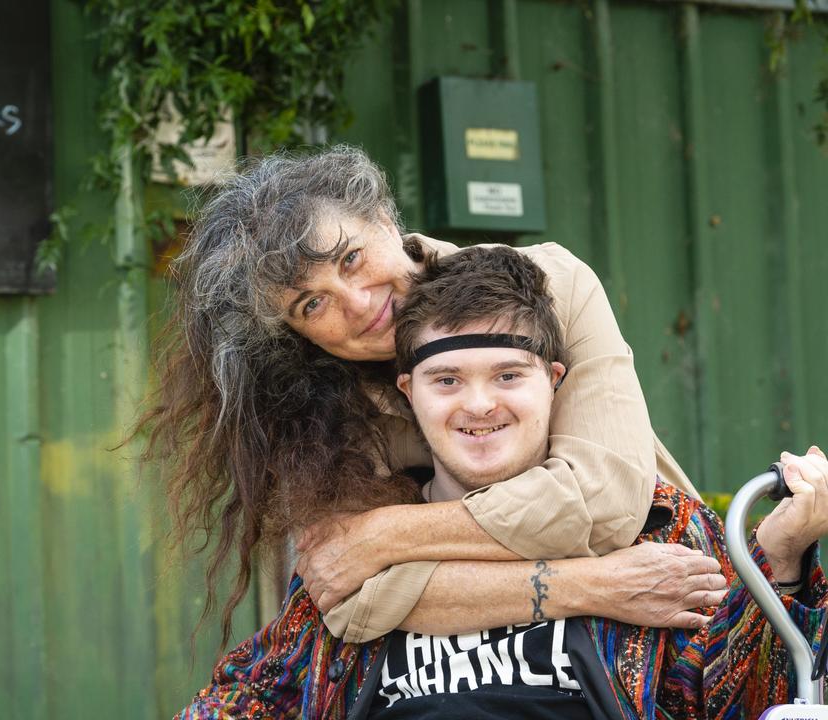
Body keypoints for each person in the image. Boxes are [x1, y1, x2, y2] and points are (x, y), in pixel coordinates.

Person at [176, 246, 828, 720]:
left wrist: (784, 548)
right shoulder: (359, 558)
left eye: (509, 375)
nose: (479, 405)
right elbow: (250, 694)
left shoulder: (660, 533)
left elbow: (754, 693)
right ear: (408, 395)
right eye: (447, 380)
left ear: (554, 380)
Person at [141, 145, 698, 642]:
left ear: (384, 219)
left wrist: (384, 535)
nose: (356, 304)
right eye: (312, 304)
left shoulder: (553, 284)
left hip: (671, 615)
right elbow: (352, 597)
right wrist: (588, 586)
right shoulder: (317, 409)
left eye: (350, 259)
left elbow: (605, 504)